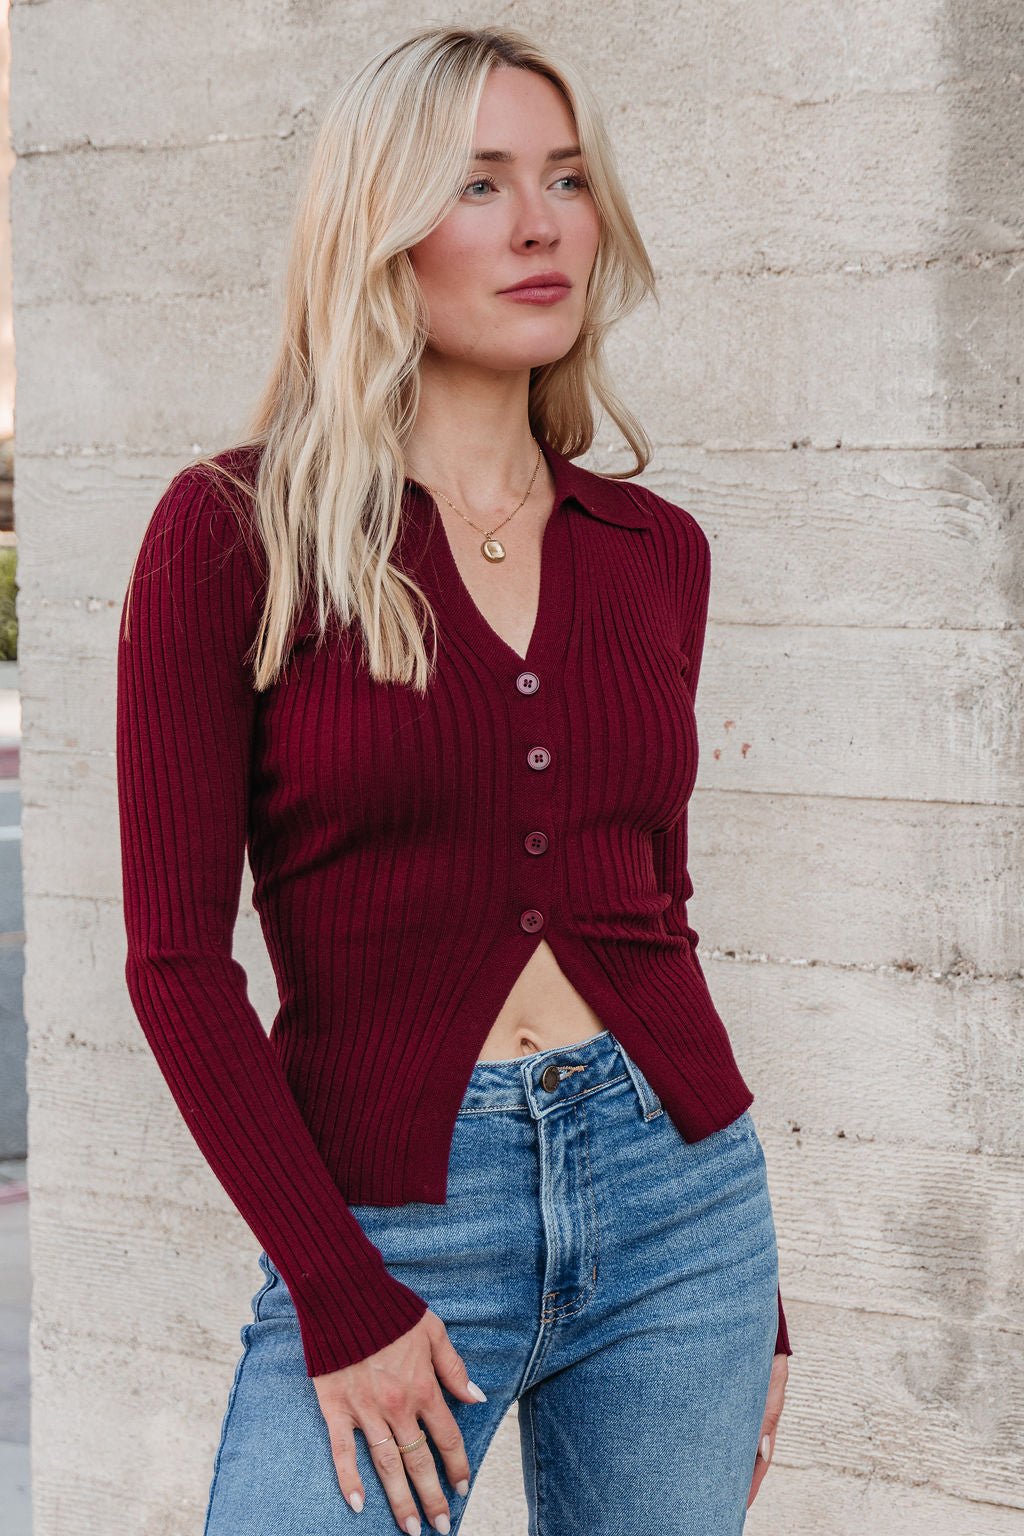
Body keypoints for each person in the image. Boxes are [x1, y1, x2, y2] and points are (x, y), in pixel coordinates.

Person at [116, 24, 793, 1536]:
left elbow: (654, 907)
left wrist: (754, 1292)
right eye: (478, 184)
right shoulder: (233, 534)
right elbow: (174, 963)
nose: (540, 221)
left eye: (564, 178)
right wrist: (338, 1293)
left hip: (683, 1209)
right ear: (382, 229)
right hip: (391, 1220)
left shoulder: (653, 554)